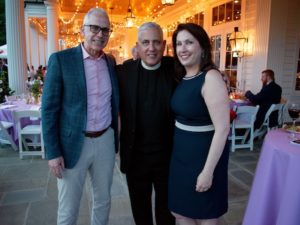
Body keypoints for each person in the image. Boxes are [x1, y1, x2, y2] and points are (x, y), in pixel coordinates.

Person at [41, 8, 119, 225]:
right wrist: (53, 152)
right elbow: (48, 110)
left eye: (105, 29)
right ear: (82, 30)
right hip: (72, 143)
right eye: (94, 28)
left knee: (103, 200)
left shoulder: (110, 62)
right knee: (68, 208)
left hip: (105, 141)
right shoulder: (61, 60)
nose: (100, 34)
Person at [168, 23, 230, 225]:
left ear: (202, 47)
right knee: (181, 213)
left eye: (189, 42)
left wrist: (208, 171)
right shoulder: (183, 78)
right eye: (178, 44)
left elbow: (223, 129)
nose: (182, 49)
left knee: (205, 216)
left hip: (204, 160)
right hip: (181, 160)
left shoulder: (210, 77)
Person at [116, 22, 176, 225]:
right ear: (137, 46)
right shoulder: (124, 72)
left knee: (167, 214)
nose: (151, 48)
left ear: (164, 44)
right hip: (135, 158)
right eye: (146, 42)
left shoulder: (175, 69)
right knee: (140, 213)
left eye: (156, 42)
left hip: (168, 158)